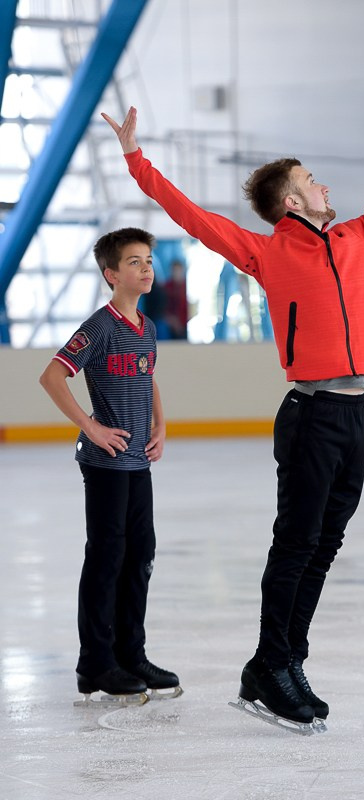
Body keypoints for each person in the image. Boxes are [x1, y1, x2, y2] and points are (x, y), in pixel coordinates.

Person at [103, 54, 364, 731]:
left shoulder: (357, 236)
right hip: (310, 416)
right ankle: (272, 667)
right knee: (298, 543)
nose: (322, 182)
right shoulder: (265, 250)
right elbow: (189, 216)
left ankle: (280, 662)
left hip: (358, 409)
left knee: (325, 544)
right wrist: (136, 162)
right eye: (310, 178)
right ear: (291, 202)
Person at [39, 228, 181, 701]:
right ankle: (96, 664)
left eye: (148, 261)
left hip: (138, 461)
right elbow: (53, 375)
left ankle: (131, 654)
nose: (146, 268)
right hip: (105, 463)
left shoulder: (147, 327)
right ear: (111, 274)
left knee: (140, 556)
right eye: (134, 262)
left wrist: (161, 424)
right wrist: (91, 427)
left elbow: (149, 376)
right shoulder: (99, 326)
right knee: (107, 558)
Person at [164, 258, 188, 340]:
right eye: (174, 270)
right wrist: (172, 321)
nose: (176, 273)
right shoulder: (166, 287)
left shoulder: (187, 287)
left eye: (178, 270)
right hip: (169, 325)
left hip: (184, 325)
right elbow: (162, 309)